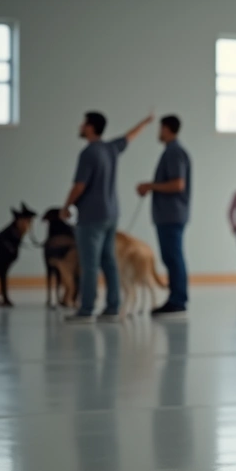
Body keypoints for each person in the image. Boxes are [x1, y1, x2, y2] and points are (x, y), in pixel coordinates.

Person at [61, 111, 155, 323]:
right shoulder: (111, 148)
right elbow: (130, 136)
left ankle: (86, 309)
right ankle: (113, 306)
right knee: (109, 261)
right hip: (111, 214)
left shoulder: (88, 153)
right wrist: (145, 121)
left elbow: (79, 185)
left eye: (84, 124)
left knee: (89, 264)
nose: (81, 127)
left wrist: (66, 207)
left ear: (91, 127)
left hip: (91, 216)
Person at [138, 115, 191, 318]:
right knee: (171, 257)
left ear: (167, 129)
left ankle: (177, 300)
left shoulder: (174, 153)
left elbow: (178, 184)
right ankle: (177, 298)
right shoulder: (171, 152)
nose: (158, 133)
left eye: (160, 129)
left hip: (172, 214)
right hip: (169, 214)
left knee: (173, 257)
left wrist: (150, 186)